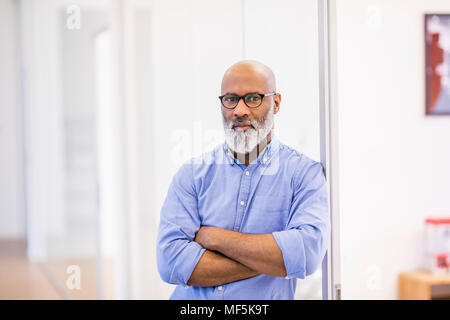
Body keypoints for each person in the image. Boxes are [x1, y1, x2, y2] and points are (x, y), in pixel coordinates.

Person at [156, 60, 330, 299]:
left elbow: (306, 254)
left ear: (276, 103)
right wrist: (272, 262)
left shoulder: (303, 174)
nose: (239, 111)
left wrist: (214, 238)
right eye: (230, 99)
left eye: (253, 98)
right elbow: (171, 262)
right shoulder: (192, 175)